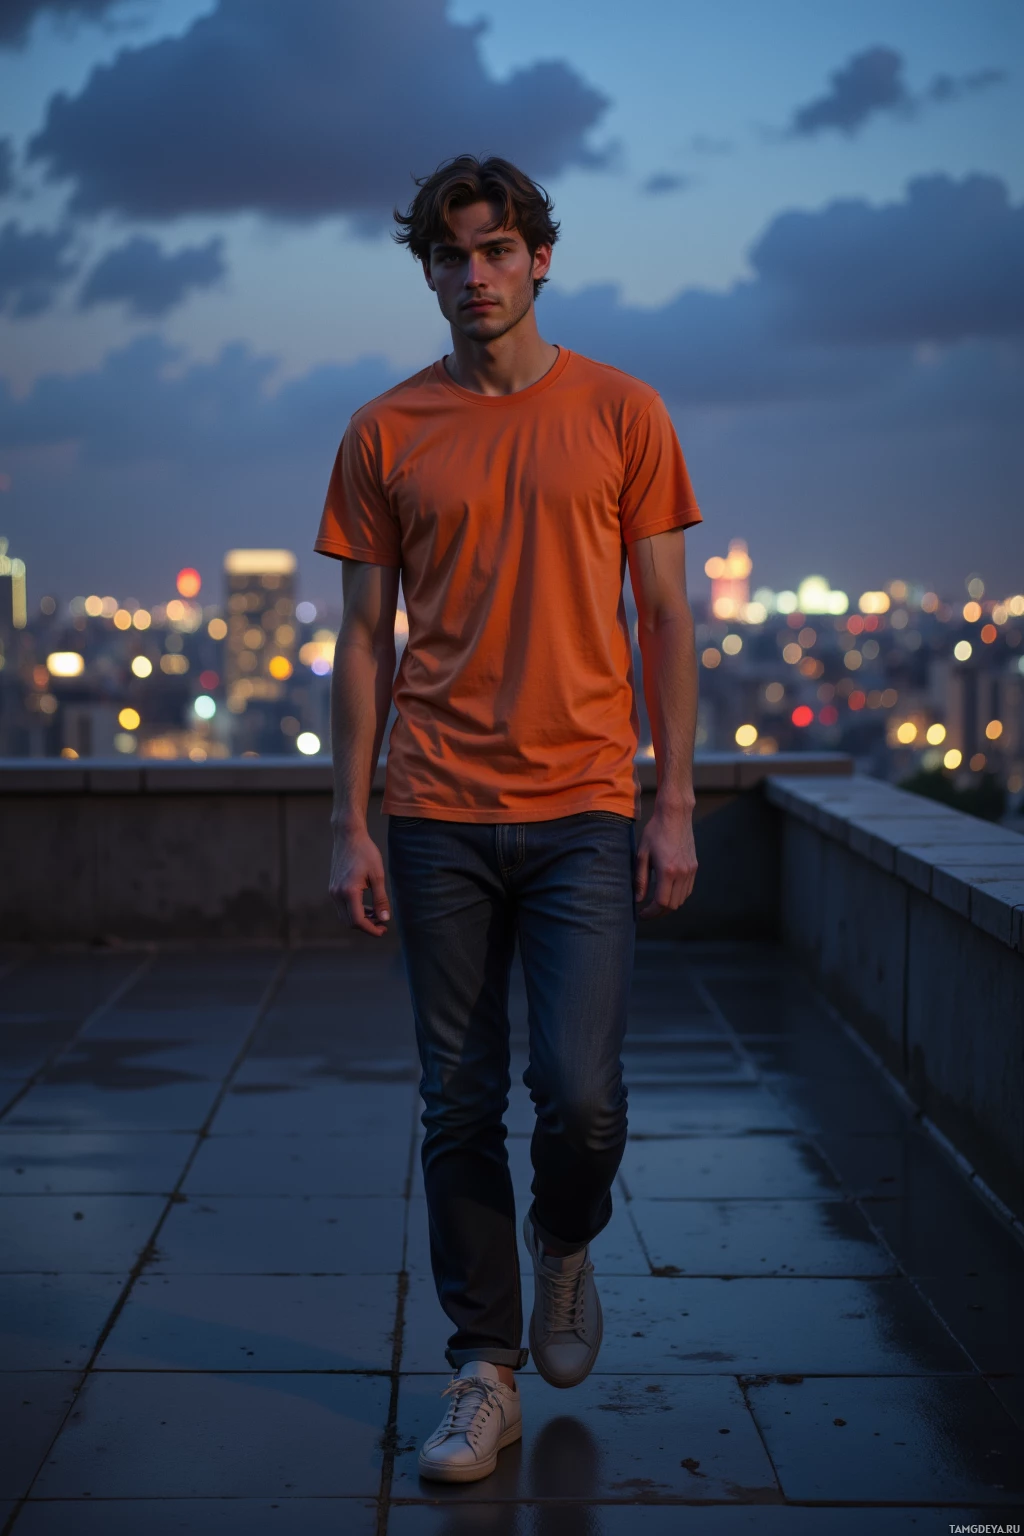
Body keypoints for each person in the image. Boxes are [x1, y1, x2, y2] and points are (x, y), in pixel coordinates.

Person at [316, 154, 701, 1484]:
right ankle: (484, 1368)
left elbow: (665, 619)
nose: (473, 275)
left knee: (581, 1100)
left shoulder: (623, 411)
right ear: (426, 271)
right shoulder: (383, 430)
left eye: (495, 250)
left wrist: (675, 801)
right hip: (434, 807)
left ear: (539, 257)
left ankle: (565, 1238)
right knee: (457, 1101)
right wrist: (349, 819)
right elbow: (363, 639)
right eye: (450, 255)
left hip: (586, 805)